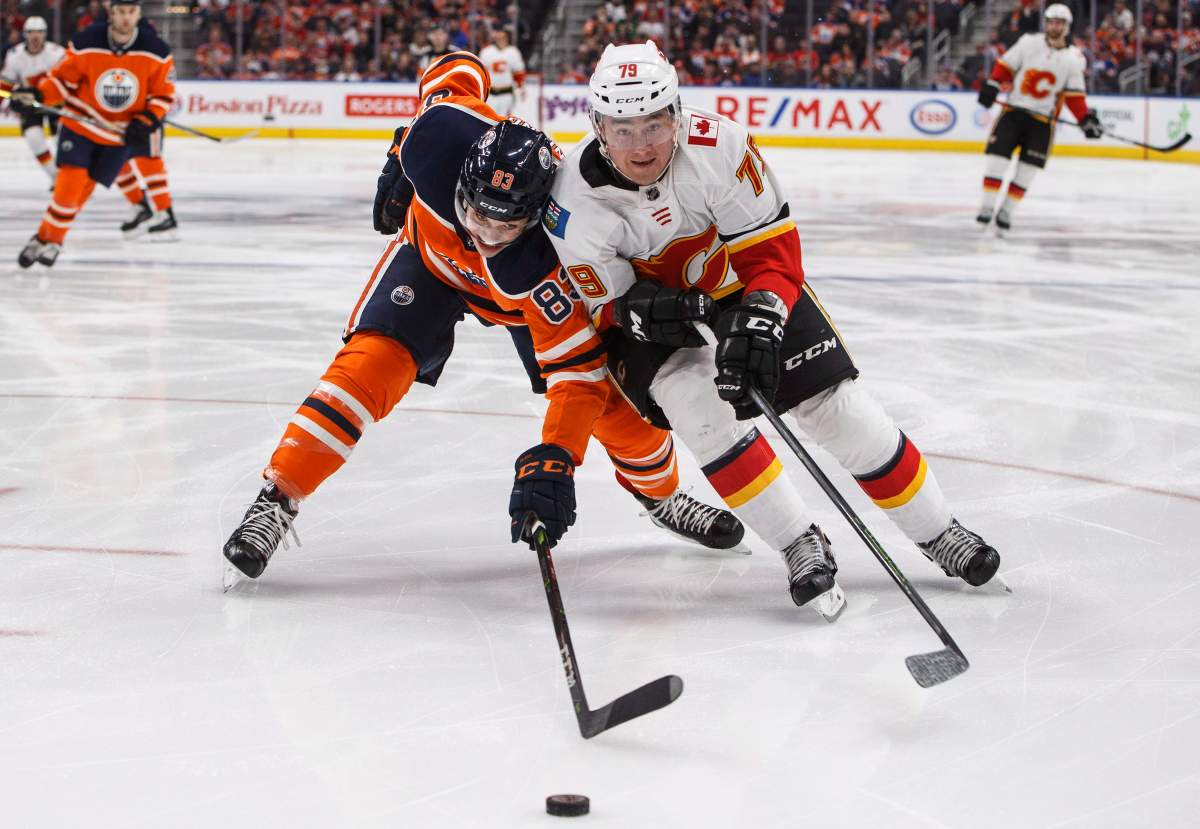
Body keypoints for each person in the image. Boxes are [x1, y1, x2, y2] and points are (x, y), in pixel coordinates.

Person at [222, 52, 743, 581]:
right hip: (431, 268)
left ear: (537, 216)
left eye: (508, 224)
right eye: (476, 214)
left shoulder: (552, 258)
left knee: (615, 406)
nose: (487, 236)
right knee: (365, 368)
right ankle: (277, 497)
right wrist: (404, 144)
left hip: (516, 304)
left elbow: (577, 375)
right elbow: (455, 67)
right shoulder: (441, 138)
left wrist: (557, 455)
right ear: (459, 183)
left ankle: (662, 496)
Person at [545, 41, 1002, 618]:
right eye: (623, 128)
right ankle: (797, 542)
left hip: (738, 284)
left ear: (677, 114)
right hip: (649, 314)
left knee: (839, 410)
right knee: (702, 416)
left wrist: (762, 318)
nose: (642, 145)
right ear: (598, 126)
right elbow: (607, 306)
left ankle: (938, 531)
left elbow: (775, 257)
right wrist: (651, 313)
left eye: (655, 124)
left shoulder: (721, 147)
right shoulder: (571, 199)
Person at [11, 0, 174, 268]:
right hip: (81, 127)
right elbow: (62, 82)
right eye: (120, 11)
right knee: (68, 189)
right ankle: (52, 241)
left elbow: (163, 96)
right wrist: (39, 94)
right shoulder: (87, 41)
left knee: (81, 194)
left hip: (118, 137)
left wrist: (146, 120)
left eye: (131, 12)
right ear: (111, 13)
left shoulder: (157, 51)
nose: (125, 18)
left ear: (138, 14)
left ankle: (45, 238)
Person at [975, 4, 1102, 234]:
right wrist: (993, 84)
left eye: (1059, 23)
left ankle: (1006, 212)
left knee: (1027, 171)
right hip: (1014, 113)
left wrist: (1085, 119)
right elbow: (1006, 65)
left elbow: (1074, 95)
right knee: (997, 161)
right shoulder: (1028, 42)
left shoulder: (1074, 59)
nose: (1054, 26)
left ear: (1066, 27)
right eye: (1051, 22)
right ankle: (986, 208)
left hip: (1042, 123)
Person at [115, 17, 179, 240]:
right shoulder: (119, 53)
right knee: (115, 163)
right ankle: (140, 206)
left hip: (146, 120)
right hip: (118, 121)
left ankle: (165, 214)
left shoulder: (156, 56)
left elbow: (164, 92)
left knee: (149, 164)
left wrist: (149, 116)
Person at [0, 16, 66, 183]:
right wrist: (10, 97)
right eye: (31, 32)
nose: (35, 36)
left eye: (39, 32)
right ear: (25, 34)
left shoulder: (57, 53)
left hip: (56, 103)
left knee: (63, 140)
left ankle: (65, 176)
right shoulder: (15, 55)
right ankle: (55, 178)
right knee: (34, 137)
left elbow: (69, 81)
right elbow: (5, 87)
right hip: (30, 105)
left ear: (45, 34)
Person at [478, 28, 525, 117]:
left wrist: (520, 87)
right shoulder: (486, 52)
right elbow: (481, 73)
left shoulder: (513, 52)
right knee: (490, 119)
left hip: (506, 93)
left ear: (507, 38)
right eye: (498, 38)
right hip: (490, 94)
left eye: (503, 37)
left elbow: (519, 72)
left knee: (505, 120)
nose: (500, 40)